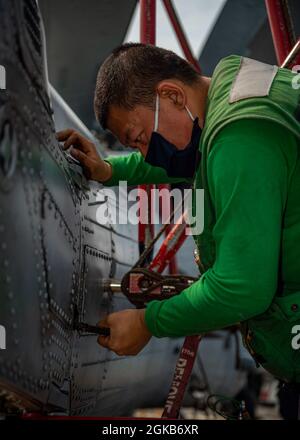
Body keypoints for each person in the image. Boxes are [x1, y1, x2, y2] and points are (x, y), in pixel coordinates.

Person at [57, 43, 300, 418]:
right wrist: (110, 170)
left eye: (139, 137)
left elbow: (241, 288)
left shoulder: (240, 138)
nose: (147, 152)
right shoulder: (232, 90)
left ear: (171, 94)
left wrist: (147, 322)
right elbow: (184, 157)